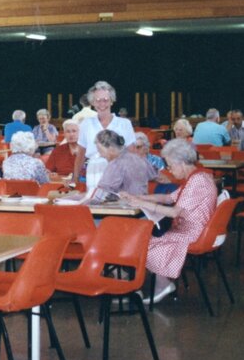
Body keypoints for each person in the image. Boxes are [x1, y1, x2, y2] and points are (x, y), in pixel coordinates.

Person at [120, 138, 218, 304]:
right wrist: (137, 197)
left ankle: (160, 283)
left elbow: (174, 212)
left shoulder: (198, 181)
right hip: (191, 228)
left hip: (193, 233)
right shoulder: (197, 177)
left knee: (141, 244)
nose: (169, 170)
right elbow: (168, 198)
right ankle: (157, 282)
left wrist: (141, 203)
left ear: (182, 163)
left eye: (171, 166)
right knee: (142, 241)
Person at [73, 80, 136, 184]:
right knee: (94, 194)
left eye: (106, 100)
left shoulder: (125, 124)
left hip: (120, 172)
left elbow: (132, 154)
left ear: (112, 101)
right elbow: (80, 155)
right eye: (97, 100)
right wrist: (74, 178)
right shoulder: (86, 124)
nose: (102, 104)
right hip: (94, 172)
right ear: (92, 102)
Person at [91, 129, 156, 199]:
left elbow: (100, 193)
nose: (100, 155)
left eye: (100, 150)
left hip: (127, 204)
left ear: (111, 148)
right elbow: (157, 177)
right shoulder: (140, 159)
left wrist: (82, 197)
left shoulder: (115, 164)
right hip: (143, 203)